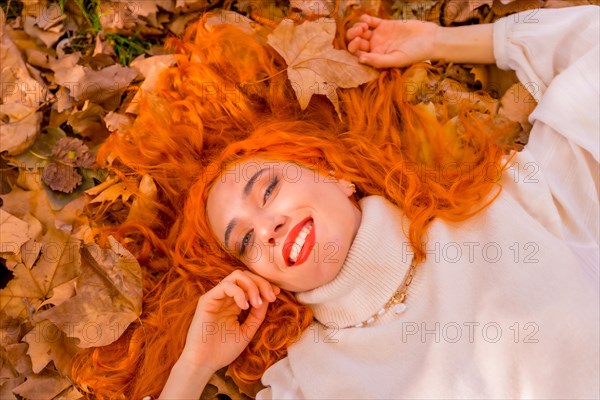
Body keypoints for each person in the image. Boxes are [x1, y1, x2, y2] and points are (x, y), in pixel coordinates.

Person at [72, 4, 599, 399]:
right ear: (262, 280)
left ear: (337, 175)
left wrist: (440, 40)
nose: (268, 228)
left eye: (269, 189)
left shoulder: (503, 204)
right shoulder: (308, 382)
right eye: (246, 241)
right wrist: (194, 365)